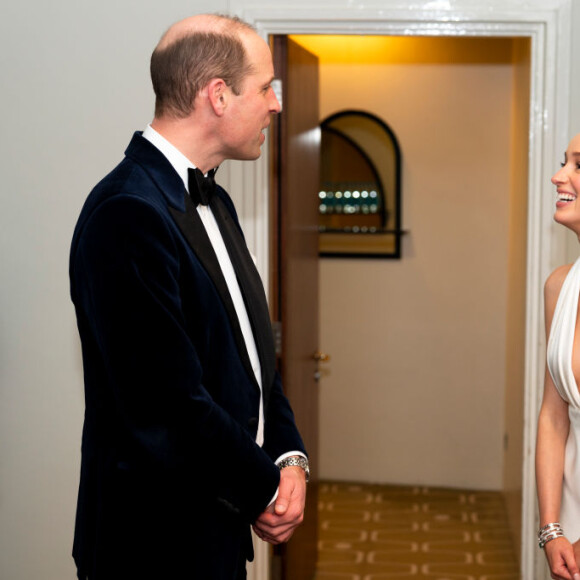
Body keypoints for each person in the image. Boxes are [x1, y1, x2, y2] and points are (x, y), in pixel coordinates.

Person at [69, 13, 309, 580]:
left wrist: (288, 456)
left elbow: (253, 359)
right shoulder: (126, 213)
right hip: (153, 543)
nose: (276, 104)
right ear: (218, 96)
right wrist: (265, 486)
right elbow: (165, 405)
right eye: (266, 87)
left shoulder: (215, 201)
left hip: (216, 528)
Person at [536, 132, 580, 580]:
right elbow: (553, 416)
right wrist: (553, 529)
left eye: (578, 165)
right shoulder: (560, 286)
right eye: (564, 162)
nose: (558, 176)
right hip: (569, 508)